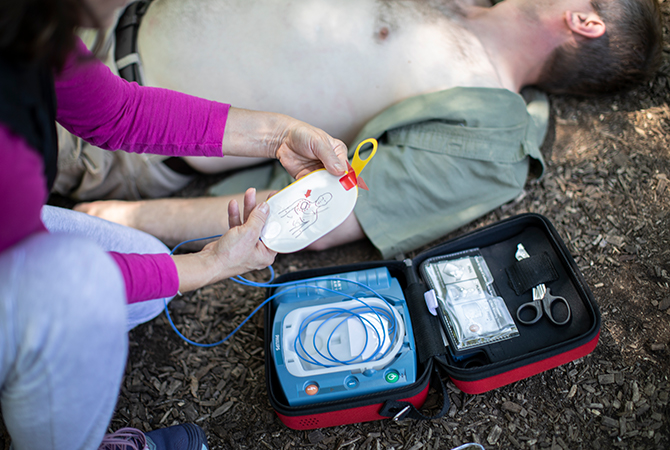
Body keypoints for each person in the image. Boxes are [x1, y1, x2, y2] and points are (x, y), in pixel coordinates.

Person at [0, 0, 349, 449]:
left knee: (147, 268)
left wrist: (279, 135)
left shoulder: (25, 22)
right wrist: (210, 265)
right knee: (83, 292)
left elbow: (116, 112)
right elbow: (58, 284)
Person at [69, 0, 663, 258]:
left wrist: (108, 225)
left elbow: (318, 213)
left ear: (584, 21)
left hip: (104, 132)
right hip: (81, 19)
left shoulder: (489, 129)